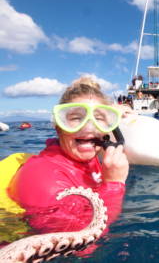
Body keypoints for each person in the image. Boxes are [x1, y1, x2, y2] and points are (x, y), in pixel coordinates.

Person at [7, 76, 130, 235]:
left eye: (99, 118)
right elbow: (82, 245)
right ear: (59, 127)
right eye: (76, 118)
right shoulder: (42, 176)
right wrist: (114, 184)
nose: (89, 127)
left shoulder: (90, 159)